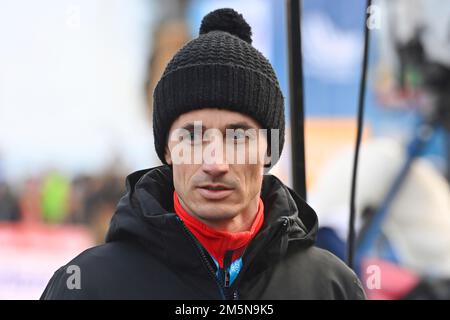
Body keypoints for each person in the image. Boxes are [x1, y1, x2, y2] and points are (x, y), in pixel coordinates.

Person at [41, 8, 365, 300]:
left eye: (238, 137)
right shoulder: (90, 287)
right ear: (167, 149)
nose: (215, 163)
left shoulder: (332, 288)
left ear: (270, 149)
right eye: (193, 136)